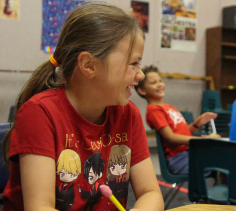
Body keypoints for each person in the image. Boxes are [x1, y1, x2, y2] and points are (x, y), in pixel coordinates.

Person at [1, 3, 163, 211]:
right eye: (133, 64)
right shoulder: (39, 113)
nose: (140, 75)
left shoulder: (127, 113)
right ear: (88, 65)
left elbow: (151, 193)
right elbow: (40, 207)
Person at [134, 65, 221, 175]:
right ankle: (204, 191)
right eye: (153, 82)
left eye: (160, 80)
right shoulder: (154, 110)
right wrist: (205, 140)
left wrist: (197, 123)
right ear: (142, 90)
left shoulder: (168, 106)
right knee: (222, 162)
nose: (160, 84)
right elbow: (171, 138)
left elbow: (183, 133)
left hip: (187, 153)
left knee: (222, 158)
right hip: (178, 159)